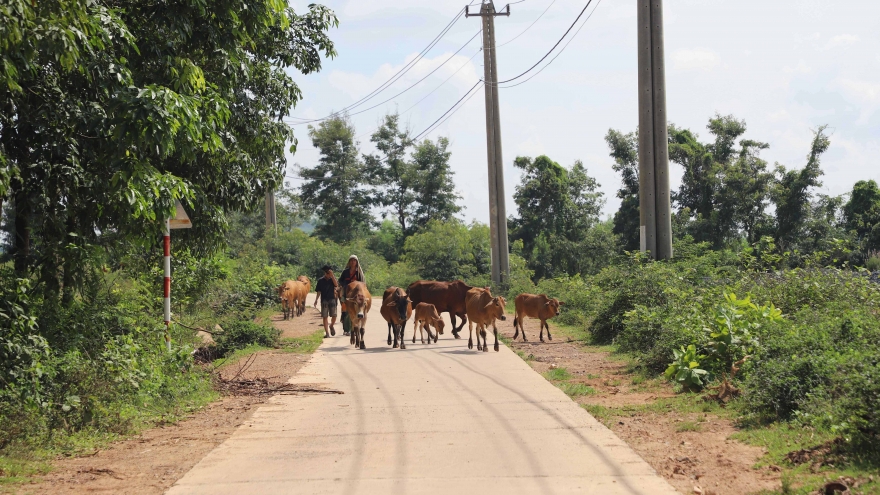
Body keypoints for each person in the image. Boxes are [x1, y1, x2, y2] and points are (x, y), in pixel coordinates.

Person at [338, 255, 365, 336]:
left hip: (356, 294)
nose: (353, 262)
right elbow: (340, 280)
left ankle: (357, 327)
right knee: (346, 310)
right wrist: (344, 286)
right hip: (346, 292)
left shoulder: (359, 272)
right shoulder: (345, 272)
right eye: (351, 260)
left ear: (356, 262)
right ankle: (347, 329)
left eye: (354, 260)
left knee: (358, 310)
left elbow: (362, 283)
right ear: (349, 262)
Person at [313, 265, 339, 338]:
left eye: (329, 273)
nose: (328, 274)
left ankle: (331, 325)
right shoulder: (320, 281)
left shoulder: (332, 279)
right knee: (325, 316)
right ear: (324, 273)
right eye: (327, 273)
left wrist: (332, 276)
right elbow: (318, 291)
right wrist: (316, 300)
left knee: (334, 315)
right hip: (324, 300)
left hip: (332, 299)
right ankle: (327, 333)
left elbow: (336, 285)